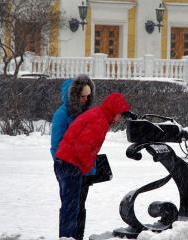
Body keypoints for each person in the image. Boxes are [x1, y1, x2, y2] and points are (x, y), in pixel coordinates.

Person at [54, 92, 130, 240]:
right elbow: (82, 148)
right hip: (70, 165)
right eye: (120, 113)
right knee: (71, 210)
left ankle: (71, 237)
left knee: (71, 208)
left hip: (65, 162)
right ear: (114, 110)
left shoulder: (98, 115)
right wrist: (90, 168)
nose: (120, 117)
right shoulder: (99, 121)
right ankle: (68, 237)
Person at [50, 75, 95, 240]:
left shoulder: (87, 113)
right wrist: (65, 165)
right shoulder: (62, 115)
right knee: (70, 208)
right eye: (82, 96)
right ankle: (67, 237)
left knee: (80, 207)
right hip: (67, 167)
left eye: (87, 96)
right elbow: (56, 146)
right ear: (73, 95)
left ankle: (78, 237)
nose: (85, 99)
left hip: (85, 168)